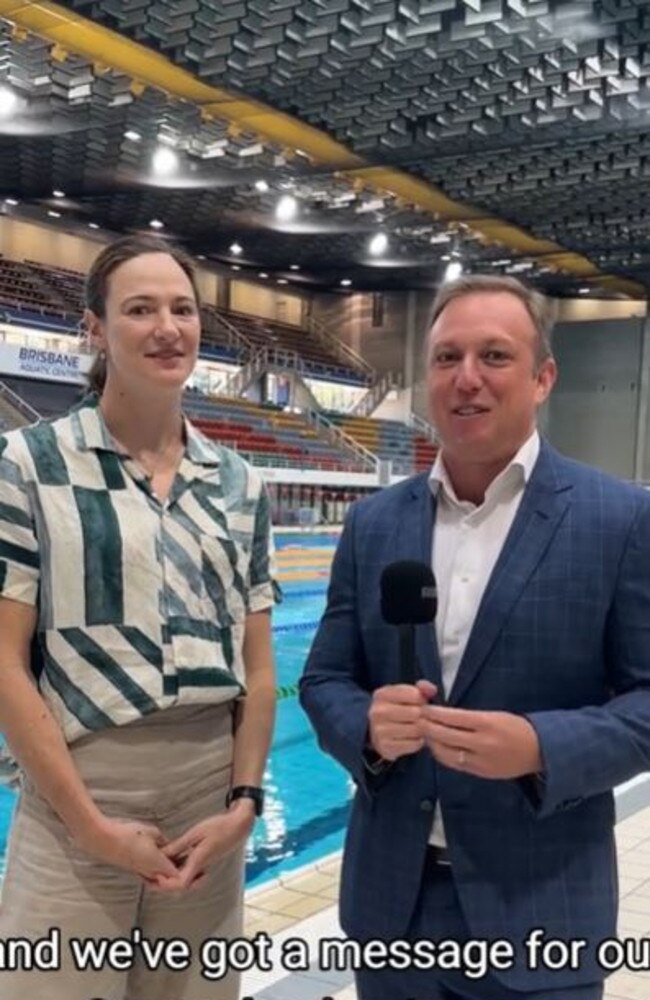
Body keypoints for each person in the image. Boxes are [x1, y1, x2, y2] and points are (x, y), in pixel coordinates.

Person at [299, 274, 650, 1000]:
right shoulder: (373, 526)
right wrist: (365, 725)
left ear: (543, 376)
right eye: (446, 358)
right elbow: (323, 678)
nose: (467, 380)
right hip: (393, 907)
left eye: (494, 356)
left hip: (541, 908)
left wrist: (540, 748)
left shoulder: (619, 521)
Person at [0, 234, 279, 1000]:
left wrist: (244, 806)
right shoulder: (28, 465)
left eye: (183, 309)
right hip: (76, 797)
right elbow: (4, 663)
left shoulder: (239, 484)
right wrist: (89, 825)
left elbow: (258, 670)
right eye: (140, 309)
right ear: (94, 328)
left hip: (207, 805)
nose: (168, 327)